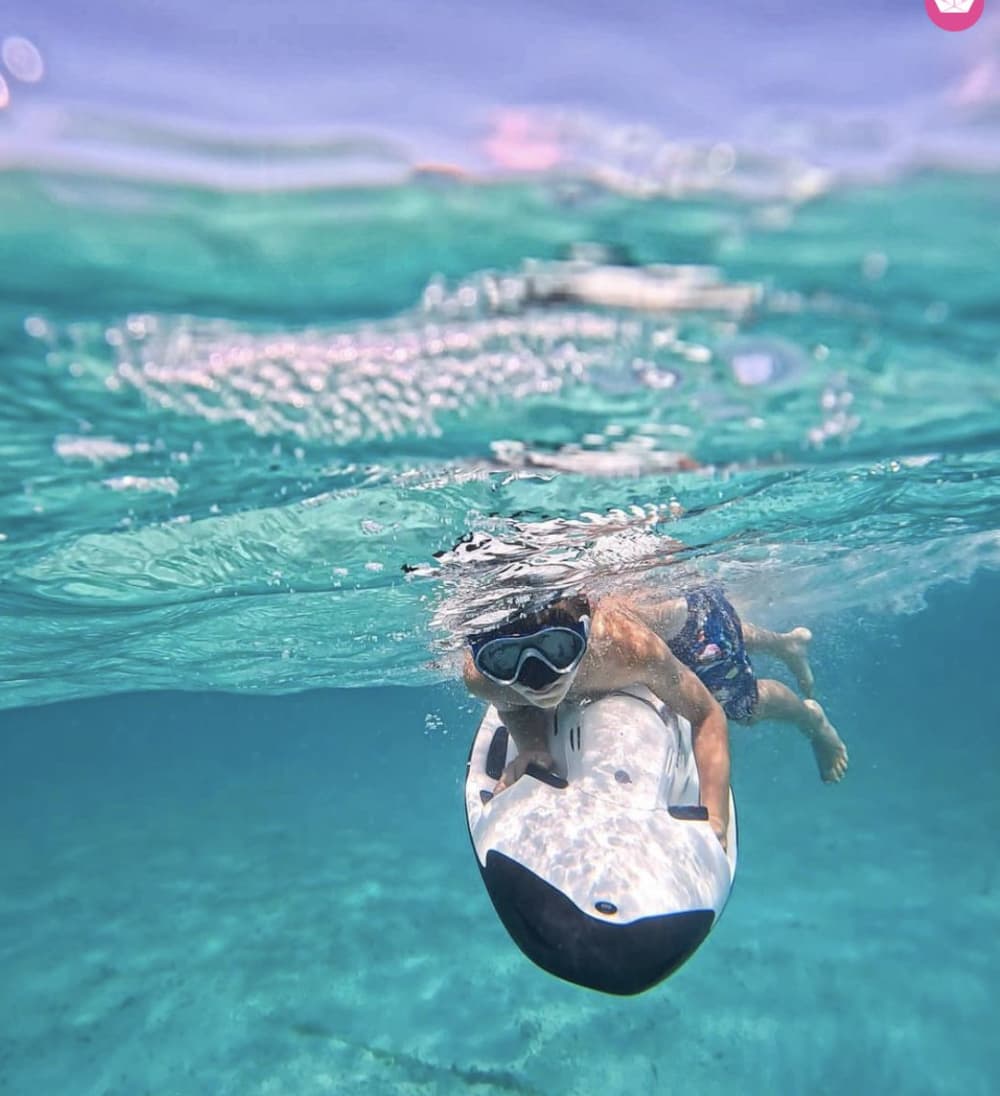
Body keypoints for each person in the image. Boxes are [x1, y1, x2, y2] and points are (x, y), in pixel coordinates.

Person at [463, 586, 849, 851]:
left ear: (584, 632)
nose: (536, 677)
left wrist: (715, 818)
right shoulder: (483, 681)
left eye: (557, 649)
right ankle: (784, 643)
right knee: (724, 645)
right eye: (504, 659)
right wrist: (532, 744)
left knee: (740, 704)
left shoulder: (624, 649)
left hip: (692, 620)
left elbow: (705, 713)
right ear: (482, 658)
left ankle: (812, 720)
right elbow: (513, 704)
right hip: (655, 623)